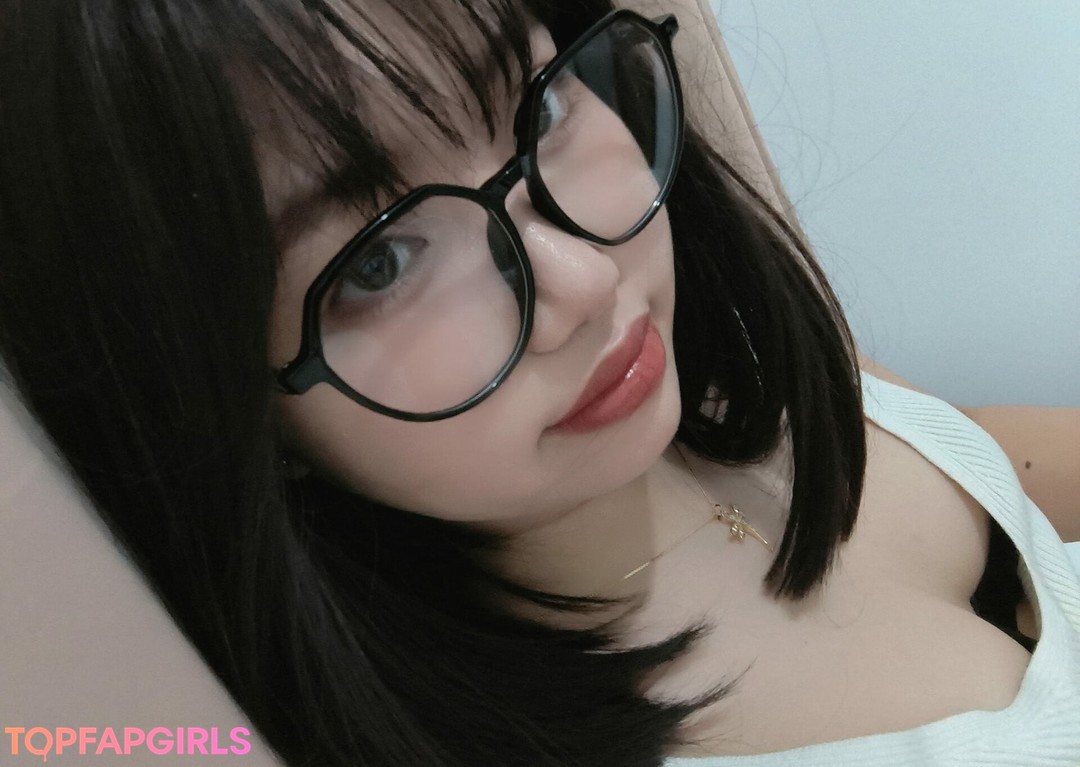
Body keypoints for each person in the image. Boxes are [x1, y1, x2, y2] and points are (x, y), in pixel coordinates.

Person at [0, 0, 1077, 765]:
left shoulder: (725, 368)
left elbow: (971, 447)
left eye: (539, 109)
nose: (583, 279)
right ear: (229, 404)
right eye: (380, 261)